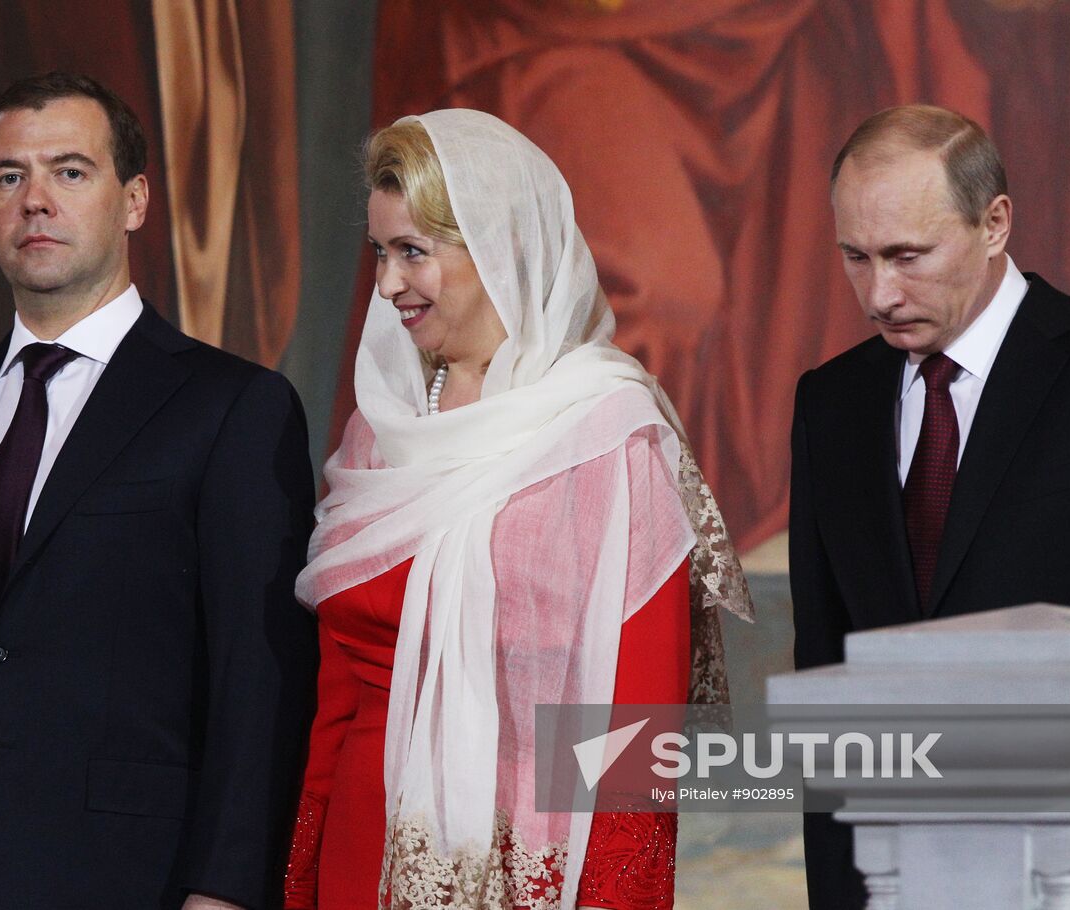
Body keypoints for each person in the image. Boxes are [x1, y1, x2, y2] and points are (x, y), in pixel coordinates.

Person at [0, 72, 317, 910]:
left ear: (134, 200)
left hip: (136, 876)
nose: (35, 201)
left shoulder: (232, 406)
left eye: (69, 171)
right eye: (8, 176)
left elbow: (260, 683)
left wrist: (224, 891)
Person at [282, 109, 754, 909]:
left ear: (499, 248)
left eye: (413, 253)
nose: (389, 283)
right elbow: (339, 694)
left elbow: (636, 744)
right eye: (380, 254)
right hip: (359, 859)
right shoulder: (379, 429)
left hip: (535, 873)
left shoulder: (611, 435)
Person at [789, 103, 1070, 909]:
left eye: (909, 255)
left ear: (995, 222)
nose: (880, 293)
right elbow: (826, 672)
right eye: (856, 258)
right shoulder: (829, 403)